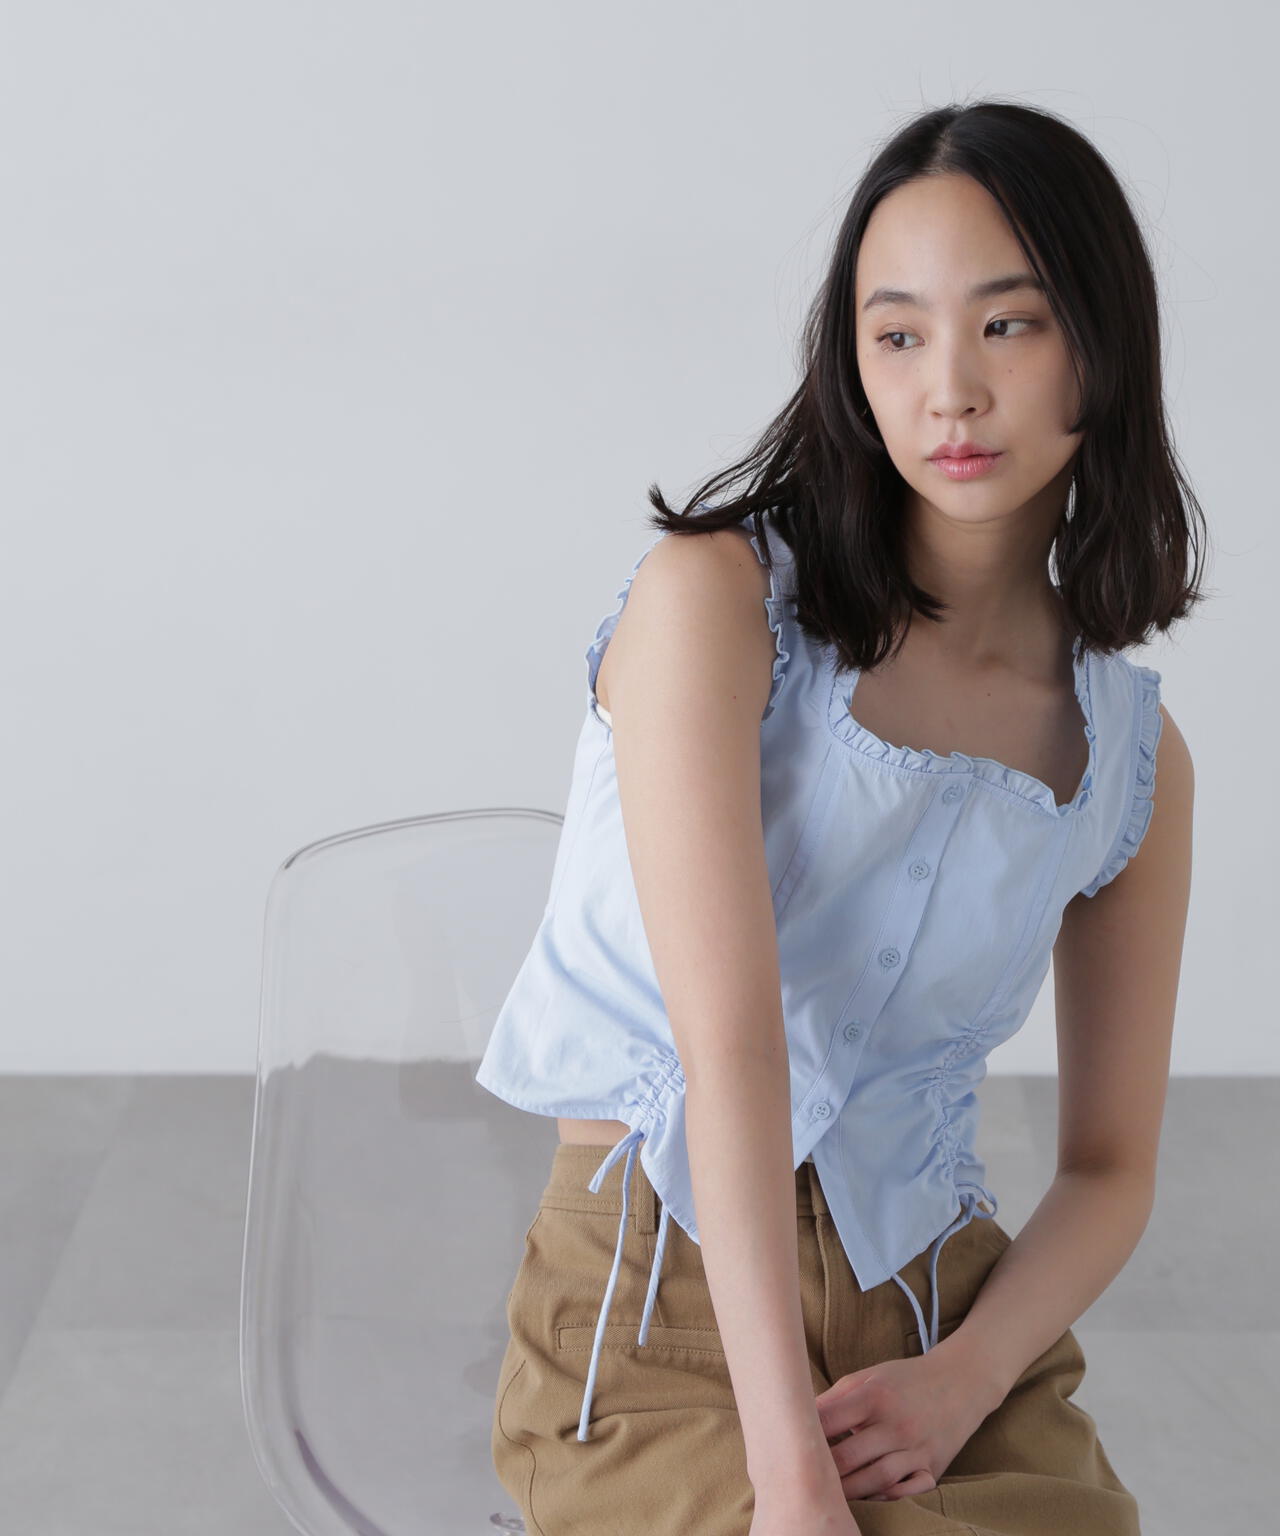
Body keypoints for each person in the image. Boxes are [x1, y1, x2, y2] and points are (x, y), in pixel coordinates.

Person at [476, 96, 1202, 1536]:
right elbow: (733, 1056)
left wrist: (964, 1382)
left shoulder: (1130, 757)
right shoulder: (717, 604)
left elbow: (1111, 1169)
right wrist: (792, 1479)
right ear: (852, 364)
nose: (952, 390)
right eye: (899, 335)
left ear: (1100, 346)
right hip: (661, 1311)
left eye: (1008, 324)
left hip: (940, 1318)